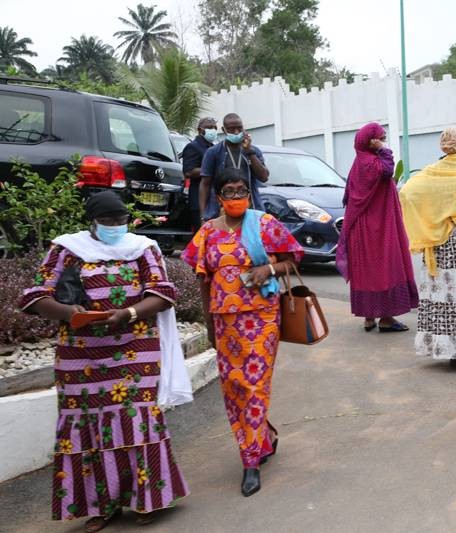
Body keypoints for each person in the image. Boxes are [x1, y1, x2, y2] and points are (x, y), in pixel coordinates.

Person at [19, 191, 190, 532]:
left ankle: (147, 499)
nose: (116, 227)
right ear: (93, 222)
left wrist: (127, 312)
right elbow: (36, 296)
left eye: (121, 221)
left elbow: (163, 292)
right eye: (109, 222)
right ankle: (101, 504)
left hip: (134, 350)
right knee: (88, 426)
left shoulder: (142, 248)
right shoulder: (67, 250)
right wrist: (70, 313)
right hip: (79, 355)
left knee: (136, 420)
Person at [182, 168, 303, 497]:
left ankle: (249, 460)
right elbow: (202, 280)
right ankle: (263, 437)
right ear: (219, 197)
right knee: (235, 388)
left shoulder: (263, 224)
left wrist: (269, 267)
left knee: (254, 385)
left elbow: (293, 258)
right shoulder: (207, 232)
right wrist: (209, 325)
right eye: (230, 191)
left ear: (249, 192)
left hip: (262, 318)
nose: (236, 197)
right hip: (225, 323)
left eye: (241, 190)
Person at [399, 127, 456, 362]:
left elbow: (406, 193)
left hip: (440, 240)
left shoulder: (431, 173)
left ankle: (449, 351)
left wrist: (433, 217)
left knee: (445, 295)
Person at [337, 122, 418, 331]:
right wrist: (383, 149)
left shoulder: (358, 162)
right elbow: (388, 169)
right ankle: (386, 318)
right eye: (380, 137)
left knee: (366, 270)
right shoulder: (371, 162)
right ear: (369, 141)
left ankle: (369, 316)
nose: (383, 141)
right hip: (376, 226)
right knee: (384, 268)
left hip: (362, 226)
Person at [198, 113, 270, 221]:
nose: (236, 132)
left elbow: (264, 177)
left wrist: (250, 152)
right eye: (231, 129)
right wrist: (203, 216)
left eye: (239, 128)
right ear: (224, 129)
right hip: (222, 210)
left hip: (250, 209)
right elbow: (205, 184)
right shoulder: (213, 152)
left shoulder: (253, 150)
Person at [183, 117, 218, 230]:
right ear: (200, 130)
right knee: (201, 234)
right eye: (209, 127)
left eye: (214, 128)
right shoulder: (193, 146)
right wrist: (210, 168)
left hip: (212, 199)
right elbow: (189, 171)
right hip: (198, 200)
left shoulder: (213, 147)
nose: (213, 130)